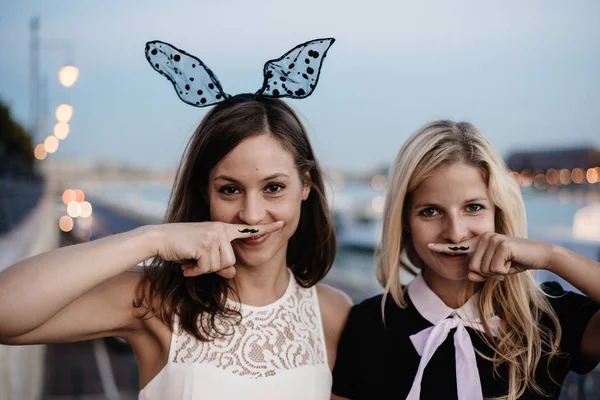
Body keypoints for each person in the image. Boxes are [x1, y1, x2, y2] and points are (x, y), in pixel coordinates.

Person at [0, 38, 352, 400]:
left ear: (306, 185)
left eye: (273, 188)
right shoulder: (158, 301)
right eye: (230, 190)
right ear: (204, 192)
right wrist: (150, 238)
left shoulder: (334, 313)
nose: (251, 213)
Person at [331, 120, 600, 400]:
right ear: (405, 222)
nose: (455, 233)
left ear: (497, 214)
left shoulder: (547, 317)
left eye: (473, 208)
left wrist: (552, 256)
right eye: (430, 212)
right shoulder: (367, 325)